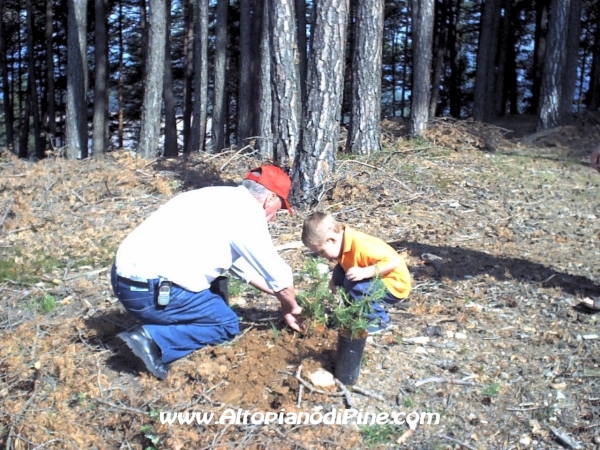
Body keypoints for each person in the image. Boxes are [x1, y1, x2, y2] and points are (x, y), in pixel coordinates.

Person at [111, 165, 304, 379]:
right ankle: (151, 340)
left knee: (214, 290)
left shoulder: (214, 196)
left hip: (123, 280)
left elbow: (244, 268)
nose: (275, 216)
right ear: (270, 198)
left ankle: (165, 319)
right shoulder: (248, 215)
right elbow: (279, 275)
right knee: (225, 324)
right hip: (152, 291)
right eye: (279, 207)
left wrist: (278, 293)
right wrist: (291, 307)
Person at [301, 212, 411, 333]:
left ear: (331, 240)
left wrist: (365, 272)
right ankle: (355, 311)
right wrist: (334, 281)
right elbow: (343, 266)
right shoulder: (343, 245)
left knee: (353, 282)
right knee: (339, 272)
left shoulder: (362, 245)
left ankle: (379, 320)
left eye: (321, 252)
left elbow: (394, 261)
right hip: (376, 280)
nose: (321, 256)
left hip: (394, 285)